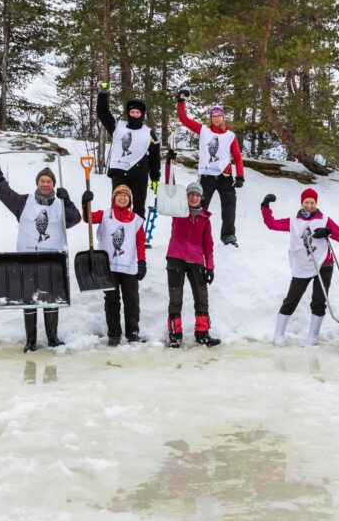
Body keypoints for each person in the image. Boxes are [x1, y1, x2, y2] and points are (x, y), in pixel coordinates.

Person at [0, 160, 81, 351]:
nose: (45, 184)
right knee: (28, 299)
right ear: (37, 183)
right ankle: (30, 341)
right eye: (42, 181)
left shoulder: (60, 204)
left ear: (53, 184)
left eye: (48, 181)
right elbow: (5, 194)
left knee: (51, 299)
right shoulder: (25, 202)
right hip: (27, 259)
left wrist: (68, 202)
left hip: (52, 261)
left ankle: (52, 338)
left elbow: (75, 219)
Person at [261, 188, 339, 346]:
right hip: (302, 264)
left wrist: (328, 231)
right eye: (306, 202)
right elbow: (272, 224)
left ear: (316, 203)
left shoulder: (324, 219)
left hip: (324, 263)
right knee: (292, 298)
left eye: (312, 202)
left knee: (319, 300)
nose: (309, 205)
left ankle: (313, 337)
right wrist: (265, 207)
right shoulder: (293, 221)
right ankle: (279, 334)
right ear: (301, 203)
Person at [176, 87, 245, 246]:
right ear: (211, 117)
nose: (216, 118)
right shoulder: (203, 130)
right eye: (213, 116)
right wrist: (181, 102)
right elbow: (184, 119)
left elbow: (237, 156)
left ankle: (228, 235)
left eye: (219, 115)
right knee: (200, 205)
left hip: (225, 175)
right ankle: (195, 233)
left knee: (229, 206)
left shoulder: (230, 136)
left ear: (223, 117)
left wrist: (240, 176)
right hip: (207, 175)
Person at [82, 183, 147, 345]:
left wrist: (142, 261)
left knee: (132, 301)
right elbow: (88, 218)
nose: (122, 198)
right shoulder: (105, 215)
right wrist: (85, 204)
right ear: (114, 198)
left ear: (130, 200)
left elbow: (140, 243)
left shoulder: (136, 219)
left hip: (129, 266)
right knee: (111, 300)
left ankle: (133, 333)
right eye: (119, 195)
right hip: (108, 267)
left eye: (126, 195)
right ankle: (114, 334)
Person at [164, 182, 220, 348]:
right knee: (175, 298)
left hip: (196, 261)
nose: (194, 197)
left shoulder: (205, 219)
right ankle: (175, 335)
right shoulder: (178, 211)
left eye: (197, 195)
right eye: (191, 194)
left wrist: (209, 267)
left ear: (201, 197)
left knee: (201, 297)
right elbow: (167, 196)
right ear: (186, 196)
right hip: (176, 258)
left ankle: (202, 334)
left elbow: (208, 245)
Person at [95, 81, 160, 220]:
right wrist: (103, 94)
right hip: (120, 173)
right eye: (132, 112)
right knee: (118, 206)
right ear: (128, 113)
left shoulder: (149, 133)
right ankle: (115, 230)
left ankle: (138, 233)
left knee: (139, 208)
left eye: (138, 112)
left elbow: (155, 158)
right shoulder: (118, 127)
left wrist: (155, 178)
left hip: (139, 175)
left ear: (142, 114)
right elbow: (103, 113)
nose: (135, 114)